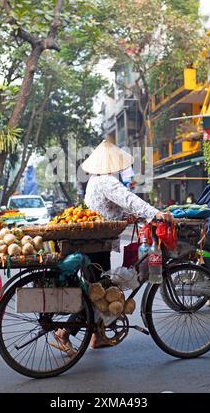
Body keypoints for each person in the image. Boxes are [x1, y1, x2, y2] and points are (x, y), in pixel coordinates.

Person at [53, 140, 166, 352]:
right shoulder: (107, 182)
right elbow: (129, 199)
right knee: (98, 292)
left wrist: (125, 217)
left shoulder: (95, 182)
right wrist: (155, 213)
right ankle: (65, 332)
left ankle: (98, 336)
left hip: (93, 243)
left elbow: (105, 209)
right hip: (97, 245)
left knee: (98, 289)